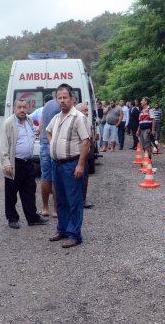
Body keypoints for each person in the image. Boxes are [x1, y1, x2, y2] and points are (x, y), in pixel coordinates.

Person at [46, 84, 90, 248]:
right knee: (61, 200)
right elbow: (48, 131)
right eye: (59, 97)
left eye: (65, 97)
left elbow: (86, 141)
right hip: (57, 165)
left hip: (72, 164)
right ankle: (62, 230)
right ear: (56, 100)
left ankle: (74, 235)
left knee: (74, 200)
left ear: (71, 99)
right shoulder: (57, 118)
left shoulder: (78, 117)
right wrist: (53, 145)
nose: (62, 100)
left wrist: (80, 165)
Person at [0, 99, 49, 229]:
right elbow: (4, 145)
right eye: (19, 107)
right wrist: (6, 163)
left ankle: (32, 218)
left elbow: (33, 133)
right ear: (14, 109)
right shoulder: (8, 123)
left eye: (24, 107)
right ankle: (12, 218)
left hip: (28, 163)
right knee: (11, 193)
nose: (22, 110)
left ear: (27, 109)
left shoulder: (29, 120)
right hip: (14, 163)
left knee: (29, 191)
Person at [40, 94, 61, 218]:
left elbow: (41, 125)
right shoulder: (61, 106)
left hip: (44, 142)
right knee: (56, 177)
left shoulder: (46, 105)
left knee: (45, 176)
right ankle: (55, 210)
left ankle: (44, 208)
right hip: (55, 142)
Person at [76, 102, 94, 209]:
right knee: (82, 179)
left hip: (82, 154)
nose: (87, 113)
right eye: (84, 110)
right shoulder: (81, 120)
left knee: (83, 179)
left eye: (87, 110)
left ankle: (81, 199)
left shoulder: (84, 120)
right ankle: (81, 201)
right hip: (80, 154)